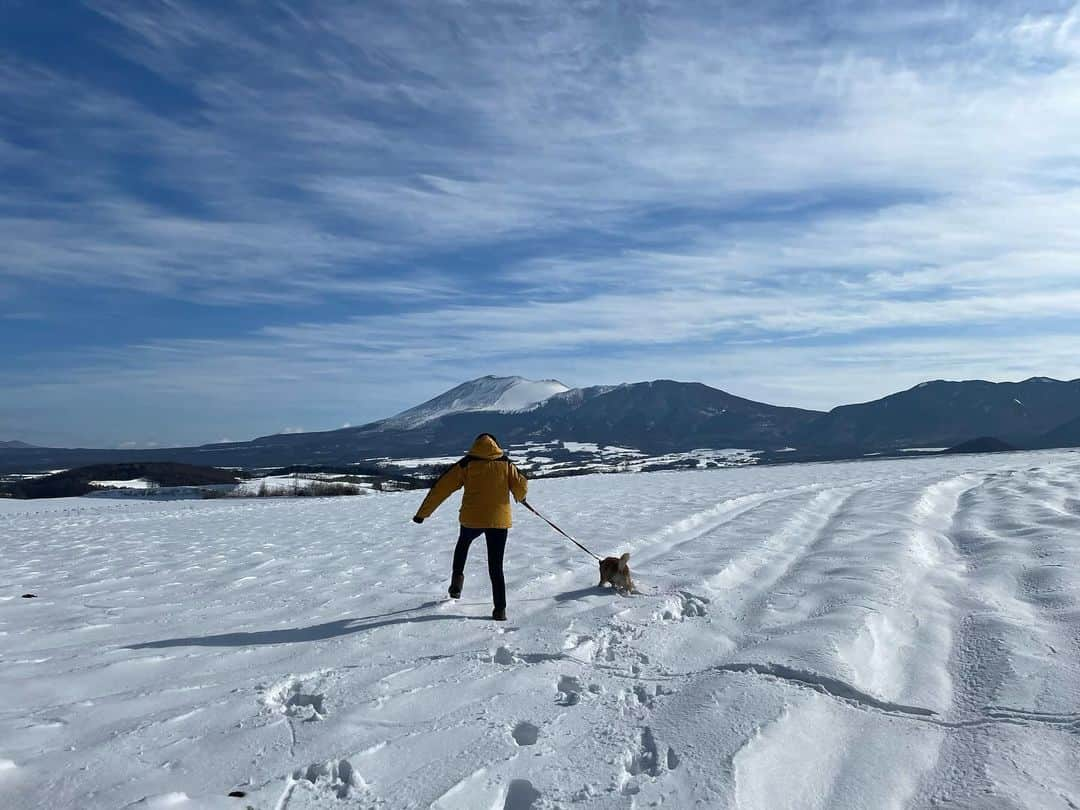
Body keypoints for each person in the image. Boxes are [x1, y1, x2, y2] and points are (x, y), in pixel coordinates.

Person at [412, 433, 528, 621]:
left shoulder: (467, 463)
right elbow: (521, 485)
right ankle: (500, 609)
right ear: (497, 445)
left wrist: (422, 514)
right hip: (499, 520)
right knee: (495, 566)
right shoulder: (506, 463)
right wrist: (520, 497)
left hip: (472, 519)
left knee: (463, 544)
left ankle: (457, 583)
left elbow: (441, 488)